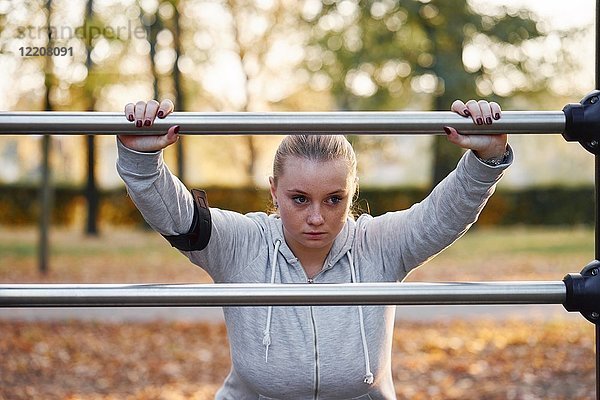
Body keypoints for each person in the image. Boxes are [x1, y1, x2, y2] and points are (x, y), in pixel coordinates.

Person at [117, 99, 511, 399]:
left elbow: (441, 217)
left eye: (334, 199)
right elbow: (180, 219)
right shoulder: (242, 244)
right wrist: (140, 158)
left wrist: (485, 159)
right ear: (274, 190)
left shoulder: (378, 245)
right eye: (300, 199)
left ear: (351, 192)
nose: (317, 217)